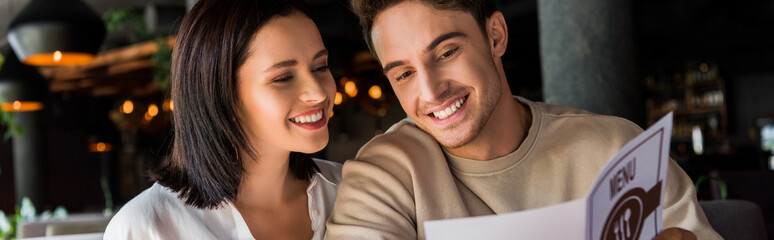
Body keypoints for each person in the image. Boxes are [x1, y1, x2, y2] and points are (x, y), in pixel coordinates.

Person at [326, 0, 721, 239]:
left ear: (495, 35)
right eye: (404, 74)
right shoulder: (382, 175)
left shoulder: (617, 148)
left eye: (446, 53)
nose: (430, 93)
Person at [104, 0, 341, 239]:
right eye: (283, 78)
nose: (318, 93)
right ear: (222, 95)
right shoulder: (148, 228)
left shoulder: (350, 191)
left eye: (320, 66)